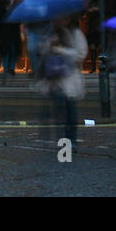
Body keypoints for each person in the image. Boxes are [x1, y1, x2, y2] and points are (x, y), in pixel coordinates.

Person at [37, 14, 87, 148]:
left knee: (71, 112)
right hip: (55, 80)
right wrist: (49, 46)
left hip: (70, 79)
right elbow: (42, 52)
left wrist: (60, 50)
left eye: (62, 17)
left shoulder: (76, 34)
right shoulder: (50, 33)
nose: (58, 20)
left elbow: (81, 54)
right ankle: (64, 140)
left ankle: (72, 140)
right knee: (60, 113)